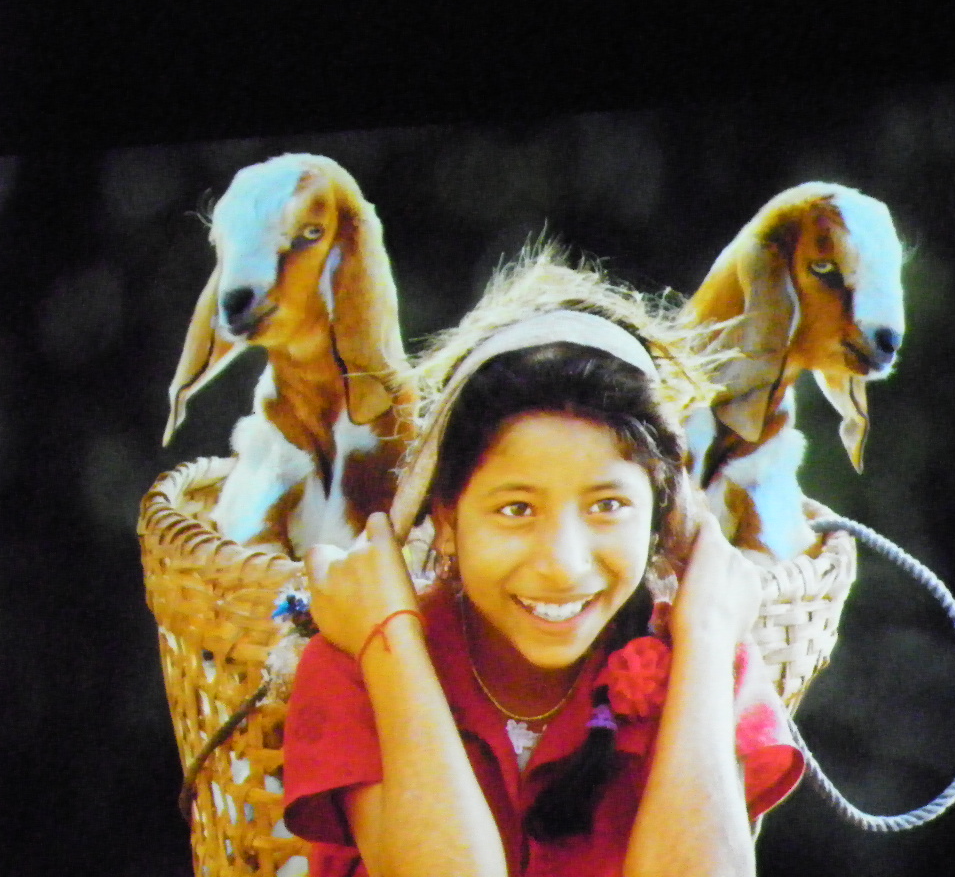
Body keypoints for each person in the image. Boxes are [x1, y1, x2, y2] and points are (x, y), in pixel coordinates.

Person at [281, 255, 806, 877]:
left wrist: (710, 638)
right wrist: (392, 640)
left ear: (660, 518)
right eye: (517, 509)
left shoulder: (701, 654)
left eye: (607, 506)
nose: (563, 565)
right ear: (445, 519)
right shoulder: (359, 655)